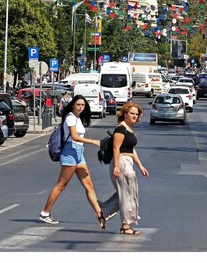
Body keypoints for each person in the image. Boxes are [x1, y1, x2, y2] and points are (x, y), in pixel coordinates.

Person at [39, 94, 106, 229]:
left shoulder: (77, 118)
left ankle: (100, 214)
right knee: (61, 185)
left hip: (78, 153)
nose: (81, 107)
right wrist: (94, 141)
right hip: (70, 152)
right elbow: (74, 137)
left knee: (89, 185)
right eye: (78, 105)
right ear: (73, 105)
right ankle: (45, 213)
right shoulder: (70, 117)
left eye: (83, 105)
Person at [98, 102, 149, 235]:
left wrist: (140, 165)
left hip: (127, 161)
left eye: (136, 114)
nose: (134, 116)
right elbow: (116, 148)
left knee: (127, 193)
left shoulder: (128, 129)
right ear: (125, 113)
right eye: (132, 113)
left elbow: (131, 150)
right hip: (121, 162)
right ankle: (125, 226)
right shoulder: (121, 129)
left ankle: (103, 211)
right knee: (126, 195)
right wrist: (116, 166)